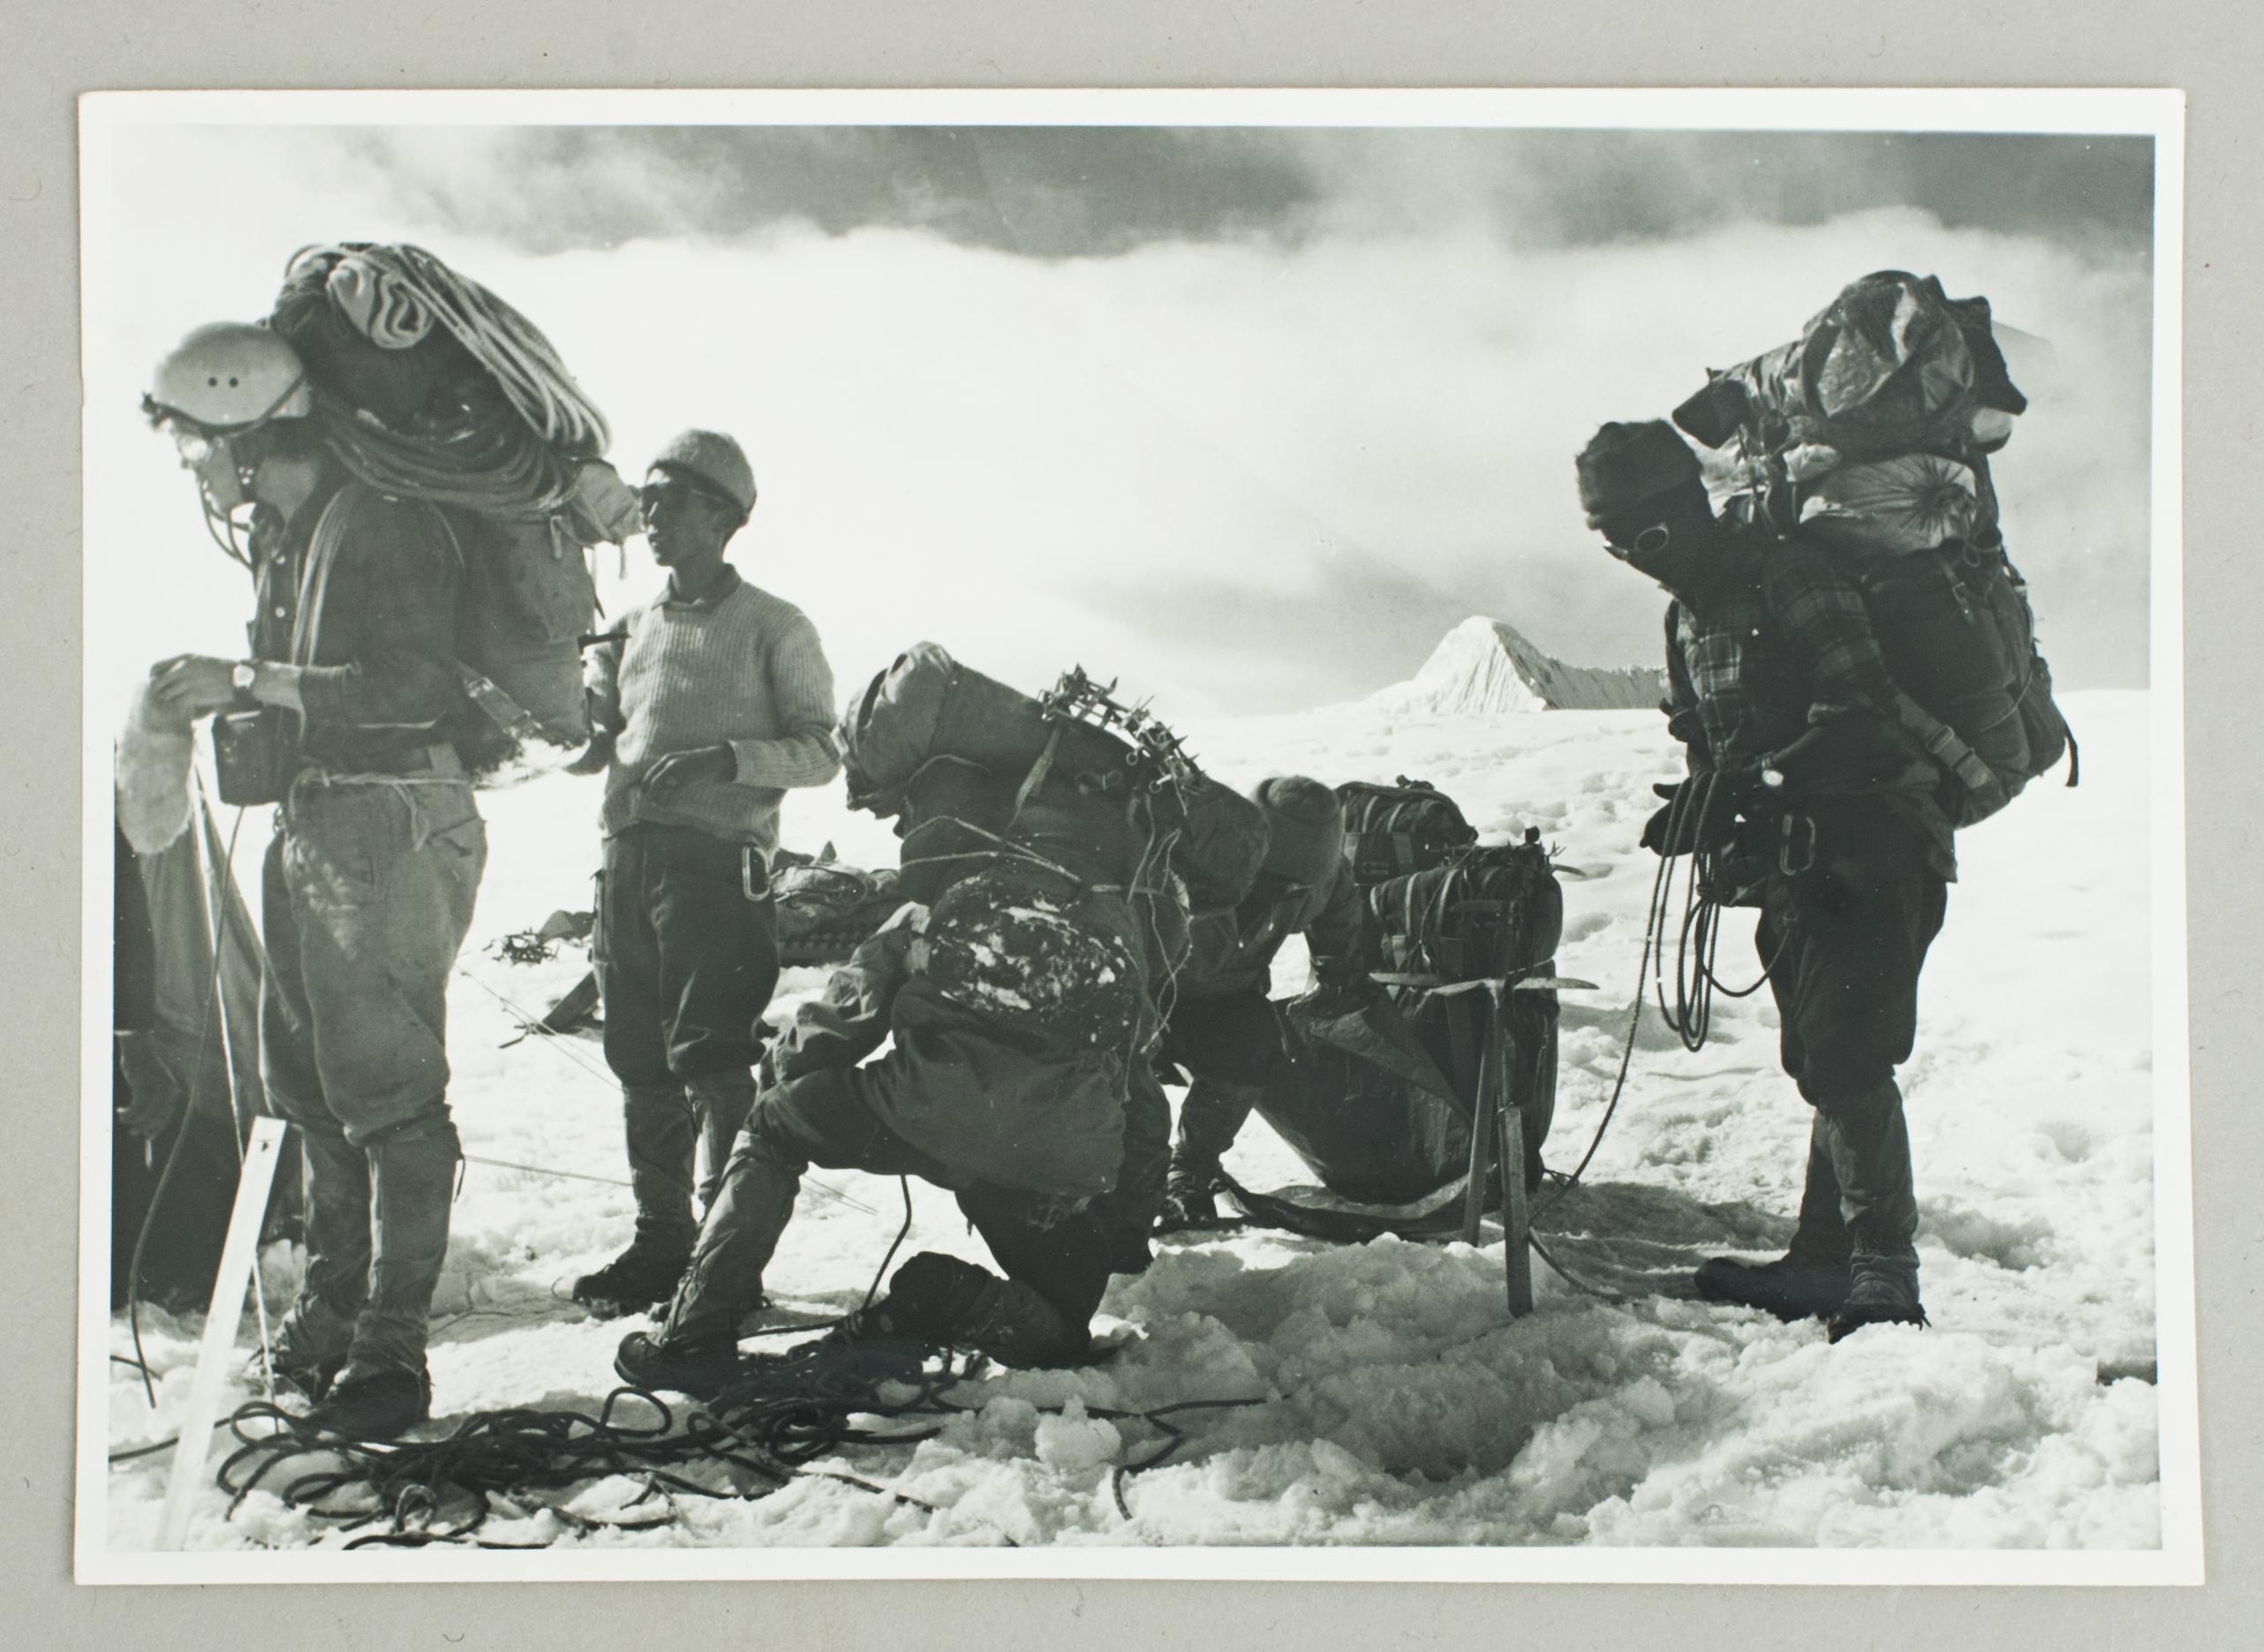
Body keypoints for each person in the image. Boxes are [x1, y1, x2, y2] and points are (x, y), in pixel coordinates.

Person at [143, 321, 495, 1435]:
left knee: (388, 1095)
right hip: (322, 818)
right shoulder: (287, 540)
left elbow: (414, 681)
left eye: (203, 442)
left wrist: (247, 675)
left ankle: (391, 1350)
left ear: (252, 430)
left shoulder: (381, 520)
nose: (197, 467)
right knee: (311, 1090)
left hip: (391, 820)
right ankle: (332, 1321)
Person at [1576, 419, 1955, 1342]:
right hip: (1796, 859)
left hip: (1872, 845)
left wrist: (1755, 781)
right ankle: (1823, 1255)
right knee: (1819, 1057)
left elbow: (1858, 707)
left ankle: (1882, 1273)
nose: (1635, 556)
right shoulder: (1683, 619)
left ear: (1685, 504)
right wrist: (1703, 798)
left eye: (1645, 533)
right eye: (1614, 542)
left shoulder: (1788, 572)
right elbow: (1705, 740)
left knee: (1845, 1053)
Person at [615, 851, 1148, 1397]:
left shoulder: (934, 908)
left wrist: (784, 1077)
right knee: (1059, 1324)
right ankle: (949, 1300)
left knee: (774, 1124)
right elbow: (1142, 1092)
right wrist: (1123, 1222)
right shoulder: (1116, 928)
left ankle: (691, 1339)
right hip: (1068, 1156)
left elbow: (841, 1022)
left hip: (927, 1108)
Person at [568, 430, 842, 1318]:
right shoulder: (634, 627)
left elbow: (820, 750)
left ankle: (726, 1259)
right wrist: (574, 712)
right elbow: (596, 736)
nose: (649, 516)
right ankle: (662, 1245)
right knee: (638, 1059)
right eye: (644, 499)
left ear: (723, 516)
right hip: (629, 861)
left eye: (670, 500)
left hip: (718, 869)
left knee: (713, 1057)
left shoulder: (774, 623)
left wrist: (724, 760)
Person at [1155, 775, 1374, 1229]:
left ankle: (1189, 1173)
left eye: (1293, 885)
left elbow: (1340, 918)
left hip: (1228, 996)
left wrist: (1338, 979)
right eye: (1269, 879)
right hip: (1148, 995)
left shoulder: (1321, 876)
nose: (1279, 892)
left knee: (1255, 1044)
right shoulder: (1189, 850)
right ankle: (1119, 1180)